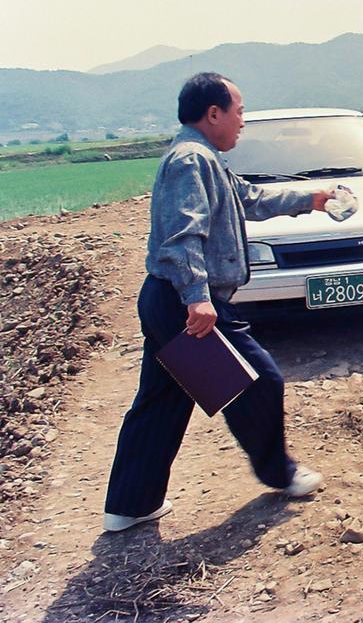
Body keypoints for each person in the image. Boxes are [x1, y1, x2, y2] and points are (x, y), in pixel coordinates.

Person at [102, 73, 333, 532]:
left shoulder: (203, 158)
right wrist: (197, 299)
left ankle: (128, 506)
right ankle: (280, 473)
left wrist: (312, 198)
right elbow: (181, 236)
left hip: (168, 302)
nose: (242, 121)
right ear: (214, 114)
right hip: (186, 305)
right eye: (240, 111)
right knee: (258, 381)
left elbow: (249, 199)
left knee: (162, 399)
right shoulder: (191, 160)